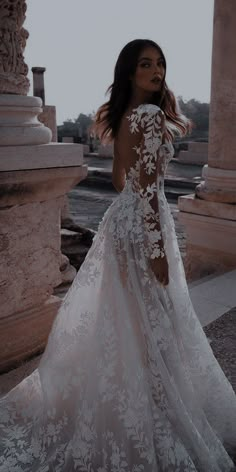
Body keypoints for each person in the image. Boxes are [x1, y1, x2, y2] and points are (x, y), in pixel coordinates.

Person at [0, 39, 236, 472]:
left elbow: (119, 179)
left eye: (160, 62)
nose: (156, 69)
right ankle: (150, 401)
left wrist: (134, 217)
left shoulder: (124, 117)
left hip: (121, 223)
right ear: (130, 72)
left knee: (131, 316)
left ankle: (136, 392)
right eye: (146, 64)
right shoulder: (149, 116)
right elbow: (146, 189)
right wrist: (158, 246)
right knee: (150, 317)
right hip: (144, 224)